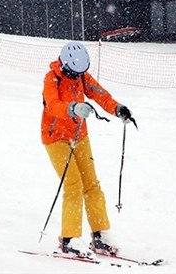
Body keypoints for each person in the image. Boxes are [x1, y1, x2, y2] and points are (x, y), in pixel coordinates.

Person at [41, 41, 134, 258]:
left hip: (79, 135)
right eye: (73, 73)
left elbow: (99, 94)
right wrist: (72, 108)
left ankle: (100, 236)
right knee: (74, 184)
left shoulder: (81, 76)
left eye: (80, 74)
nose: (76, 78)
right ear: (64, 66)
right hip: (55, 138)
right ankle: (69, 239)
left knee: (92, 184)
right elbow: (52, 105)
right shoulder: (51, 78)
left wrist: (117, 108)